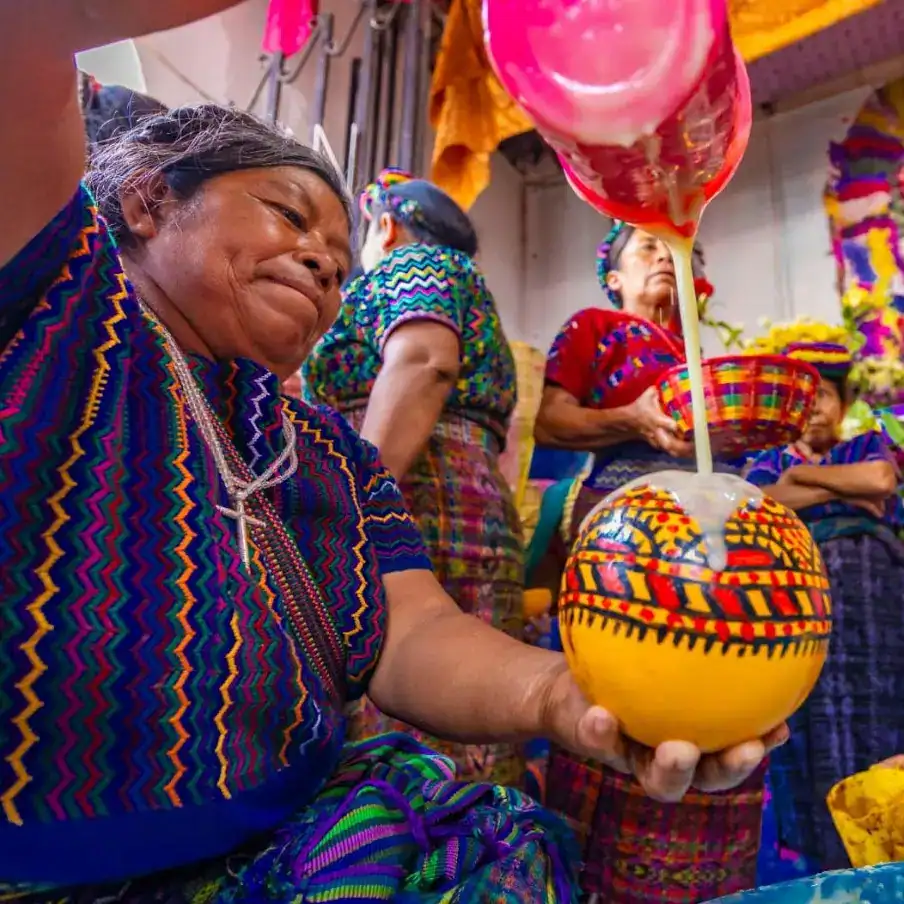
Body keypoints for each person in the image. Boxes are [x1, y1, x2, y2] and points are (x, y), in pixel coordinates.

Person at [0, 5, 781, 900]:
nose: (323, 267)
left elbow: (411, 631)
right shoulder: (61, 310)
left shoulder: (328, 447)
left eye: (341, 264)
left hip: (285, 847)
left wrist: (562, 697)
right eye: (288, 216)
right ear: (147, 201)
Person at [535, 221, 768, 904]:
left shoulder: (705, 355)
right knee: (626, 699)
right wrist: (634, 418)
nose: (665, 257)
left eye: (677, 248)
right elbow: (550, 419)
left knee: (731, 698)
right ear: (614, 277)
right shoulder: (594, 329)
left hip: (723, 528)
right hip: (628, 526)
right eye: (646, 248)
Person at [303, 168, 524, 786]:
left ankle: (413, 842)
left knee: (415, 709)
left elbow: (424, 361)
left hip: (418, 494)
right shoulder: (464, 282)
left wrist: (355, 500)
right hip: (454, 490)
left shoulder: (411, 264)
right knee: (466, 721)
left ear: (386, 226)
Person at [746, 340, 904, 873]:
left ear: (844, 404)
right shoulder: (766, 462)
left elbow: (880, 480)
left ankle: (890, 845)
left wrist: (802, 481)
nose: (814, 409)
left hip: (878, 606)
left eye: (826, 397)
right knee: (809, 721)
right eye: (804, 400)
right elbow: (763, 502)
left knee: (884, 713)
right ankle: (830, 861)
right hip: (798, 605)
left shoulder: (865, 445)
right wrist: (842, 491)